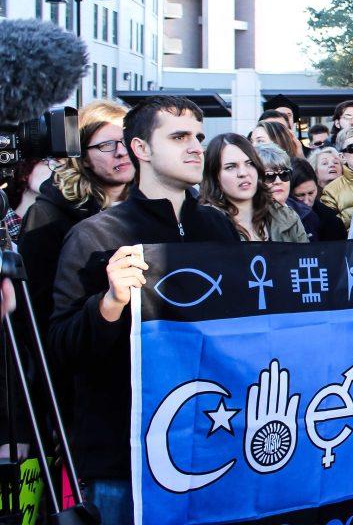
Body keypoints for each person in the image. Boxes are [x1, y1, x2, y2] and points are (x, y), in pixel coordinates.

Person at [49, 97, 240, 525]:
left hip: (214, 443)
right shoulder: (94, 236)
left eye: (198, 137)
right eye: (179, 137)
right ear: (141, 148)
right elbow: (61, 349)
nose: (195, 147)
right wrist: (110, 303)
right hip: (123, 460)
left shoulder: (218, 227)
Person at [20, 101, 134, 333]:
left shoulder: (153, 203)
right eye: (106, 145)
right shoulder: (47, 214)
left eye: (126, 140)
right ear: (81, 157)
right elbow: (36, 309)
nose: (121, 152)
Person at [200, 135, 307, 242]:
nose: (243, 173)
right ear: (215, 176)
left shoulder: (286, 216)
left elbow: (305, 257)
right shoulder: (204, 223)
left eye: (249, 163)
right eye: (230, 167)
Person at [288, 157, 347, 241]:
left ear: (317, 186)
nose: (306, 201)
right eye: (300, 195)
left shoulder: (330, 220)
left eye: (311, 193)